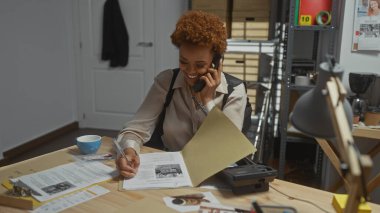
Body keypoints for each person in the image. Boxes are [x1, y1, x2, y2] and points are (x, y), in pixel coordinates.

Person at [115, 10, 248, 178]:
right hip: (171, 172)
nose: (190, 72)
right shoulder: (166, 82)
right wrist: (128, 150)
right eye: (184, 62)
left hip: (217, 176)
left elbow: (229, 147)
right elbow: (135, 129)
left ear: (216, 62)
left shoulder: (235, 91)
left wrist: (207, 101)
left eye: (200, 65)